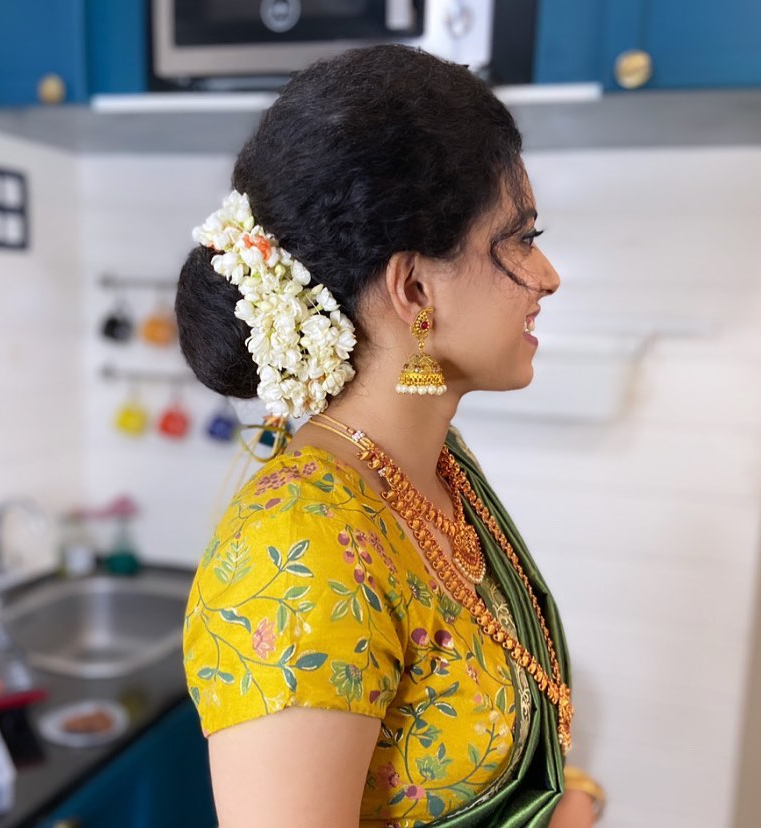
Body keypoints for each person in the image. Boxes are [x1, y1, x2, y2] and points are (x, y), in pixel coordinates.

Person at [177, 44, 605, 828]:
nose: (546, 275)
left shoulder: (433, 467)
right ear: (414, 288)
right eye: (517, 239)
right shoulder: (297, 554)